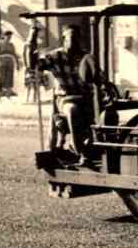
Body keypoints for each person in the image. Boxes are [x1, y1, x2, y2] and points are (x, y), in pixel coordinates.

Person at [26, 23, 104, 161]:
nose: (75, 42)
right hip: (66, 99)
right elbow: (33, 64)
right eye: (71, 38)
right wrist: (32, 38)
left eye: (77, 38)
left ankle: (102, 148)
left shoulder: (86, 57)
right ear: (64, 38)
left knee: (108, 115)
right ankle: (77, 148)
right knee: (73, 110)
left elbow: (100, 77)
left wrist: (101, 83)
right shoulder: (55, 56)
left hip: (87, 98)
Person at [0, 29, 18, 99]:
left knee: (9, 77)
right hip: (1, 62)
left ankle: (8, 92)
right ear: (4, 36)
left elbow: (14, 54)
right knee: (1, 77)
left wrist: (17, 64)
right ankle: (0, 92)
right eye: (8, 36)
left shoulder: (11, 45)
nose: (9, 38)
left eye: (10, 37)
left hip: (10, 63)